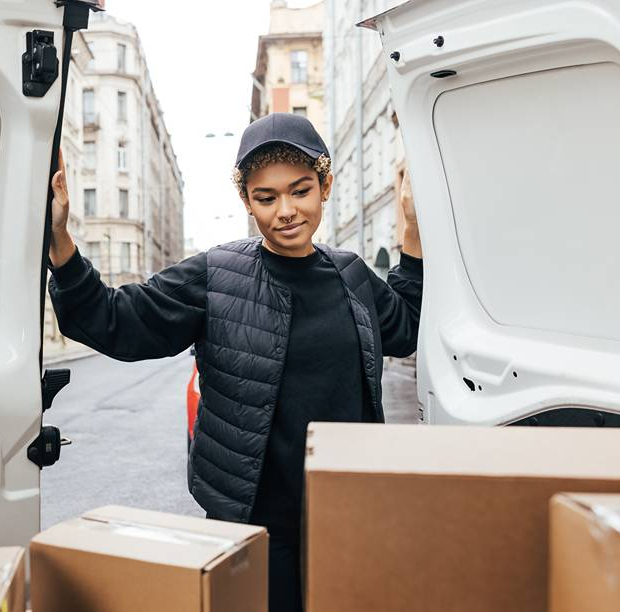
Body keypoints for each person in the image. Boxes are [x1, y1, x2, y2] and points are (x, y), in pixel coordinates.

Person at [47, 112, 423, 612]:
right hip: (251, 526)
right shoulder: (216, 275)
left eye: (300, 190)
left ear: (325, 186)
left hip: (345, 515)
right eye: (266, 198)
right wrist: (60, 241)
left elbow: (407, 325)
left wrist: (413, 227)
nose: (286, 211)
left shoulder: (352, 276)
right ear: (246, 201)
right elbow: (116, 320)